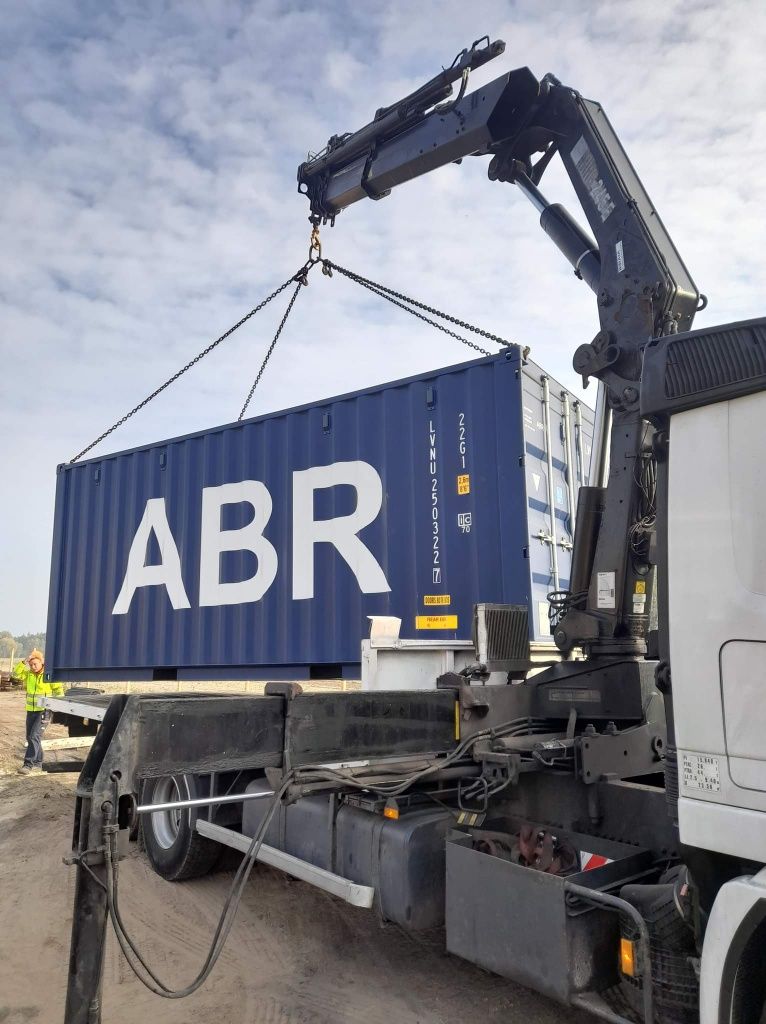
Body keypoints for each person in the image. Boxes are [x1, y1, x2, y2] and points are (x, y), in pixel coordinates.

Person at [12, 649, 65, 775]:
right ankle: (38, 762)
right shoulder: (29, 674)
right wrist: (24, 661)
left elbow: (59, 690)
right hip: (31, 710)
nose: (33, 667)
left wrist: (59, 708)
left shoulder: (48, 675)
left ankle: (28, 764)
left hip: (45, 710)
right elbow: (15, 674)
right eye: (31, 665)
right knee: (30, 737)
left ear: (42, 663)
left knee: (34, 736)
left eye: (35, 664)